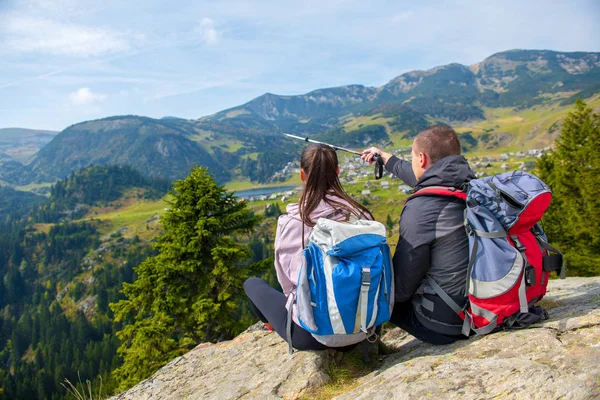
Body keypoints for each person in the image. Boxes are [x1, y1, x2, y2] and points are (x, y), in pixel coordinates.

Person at [244, 144, 373, 351]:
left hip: (312, 335)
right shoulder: (361, 215)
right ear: (338, 172)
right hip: (365, 325)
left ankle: (273, 327)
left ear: (302, 175)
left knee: (252, 284)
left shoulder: (292, 222)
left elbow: (287, 283)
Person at [361, 125, 475, 344]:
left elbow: (401, 289)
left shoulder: (422, 208)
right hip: (480, 305)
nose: (411, 163)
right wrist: (384, 157)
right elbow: (421, 176)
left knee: (375, 296)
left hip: (448, 323)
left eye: (412, 158)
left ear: (421, 159)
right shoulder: (468, 184)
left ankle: (363, 356)